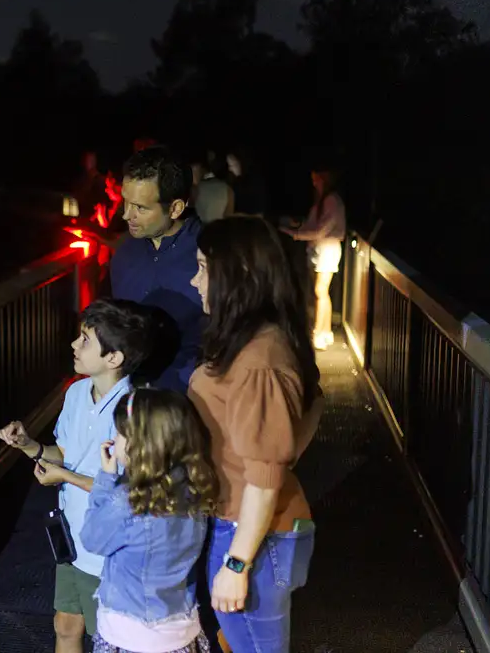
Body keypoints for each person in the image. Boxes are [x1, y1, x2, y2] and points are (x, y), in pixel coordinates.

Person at [187, 217, 325, 653]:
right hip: (244, 524)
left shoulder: (259, 358)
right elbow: (313, 408)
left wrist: (237, 563)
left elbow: (265, 478)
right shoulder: (256, 341)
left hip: (254, 534)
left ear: (240, 275)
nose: (195, 280)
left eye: (204, 268)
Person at [0, 298, 153, 653]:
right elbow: (65, 455)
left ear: (114, 358)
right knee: (65, 623)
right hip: (72, 536)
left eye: (85, 340)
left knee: (108, 639)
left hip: (107, 549)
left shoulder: (134, 408)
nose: (73, 345)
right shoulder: (77, 392)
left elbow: (128, 490)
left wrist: (64, 478)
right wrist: (28, 445)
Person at [81, 389, 218, 653]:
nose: (114, 439)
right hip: (180, 630)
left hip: (129, 635)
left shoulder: (128, 501)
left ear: (138, 443)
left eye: (120, 433)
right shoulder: (194, 490)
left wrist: (105, 480)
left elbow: (91, 538)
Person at [110, 146, 204, 393]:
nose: (126, 215)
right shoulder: (124, 254)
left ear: (175, 208)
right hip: (130, 398)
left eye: (140, 208)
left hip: (190, 401)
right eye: (125, 202)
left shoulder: (210, 254)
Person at [280, 167, 347, 350]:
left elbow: (320, 230)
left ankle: (320, 332)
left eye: (317, 179)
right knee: (321, 292)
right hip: (319, 249)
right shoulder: (323, 201)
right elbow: (312, 225)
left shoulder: (332, 200)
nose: (314, 183)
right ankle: (324, 332)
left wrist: (293, 233)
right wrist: (296, 225)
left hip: (328, 249)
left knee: (320, 290)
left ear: (325, 180)